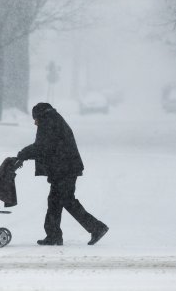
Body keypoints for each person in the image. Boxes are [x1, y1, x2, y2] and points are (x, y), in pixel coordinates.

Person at [16, 103, 109, 246]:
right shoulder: (53, 119)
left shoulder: (48, 122)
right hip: (64, 168)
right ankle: (54, 235)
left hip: (65, 169)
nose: (34, 122)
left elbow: (42, 147)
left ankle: (96, 227)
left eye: (35, 119)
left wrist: (23, 154)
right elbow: (47, 146)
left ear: (40, 115)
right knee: (56, 201)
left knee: (66, 201)